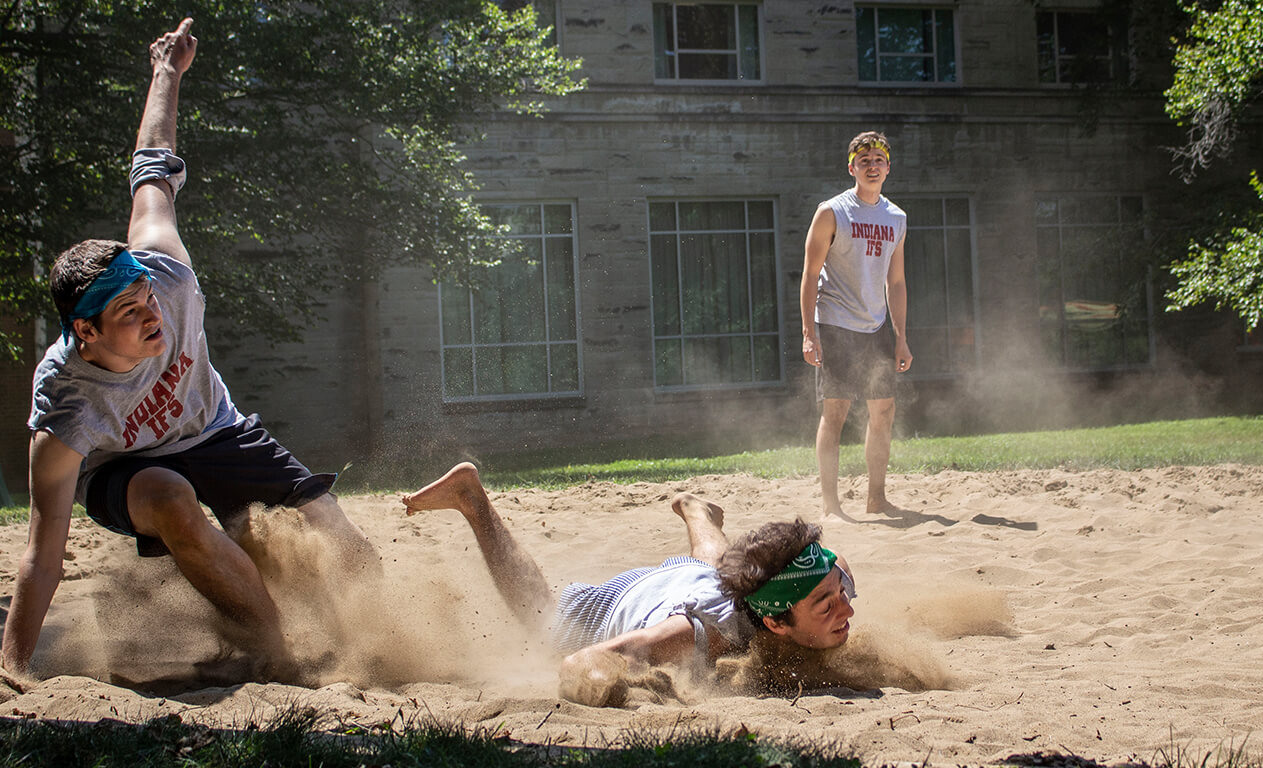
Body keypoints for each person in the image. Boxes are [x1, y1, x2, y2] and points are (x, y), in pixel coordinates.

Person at [1, 19, 375, 681]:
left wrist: (167, 70)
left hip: (214, 429)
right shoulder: (66, 404)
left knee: (348, 554)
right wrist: (12, 671)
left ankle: (363, 645)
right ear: (84, 332)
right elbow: (42, 553)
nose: (155, 319)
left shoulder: (166, 273)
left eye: (148, 299)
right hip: (132, 473)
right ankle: (274, 653)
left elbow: (152, 162)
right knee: (171, 494)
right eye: (129, 314)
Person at [400, 462, 858, 707]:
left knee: (718, 568)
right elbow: (583, 662)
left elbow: (826, 568)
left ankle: (698, 510)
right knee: (537, 615)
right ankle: (471, 499)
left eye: (842, 592)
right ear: (777, 623)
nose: (847, 610)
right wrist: (627, 690)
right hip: (611, 606)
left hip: (697, 580)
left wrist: (832, 585)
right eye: (827, 605)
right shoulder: (690, 636)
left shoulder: (811, 578)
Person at [800, 130, 913, 519]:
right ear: (852, 167)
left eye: (878, 160)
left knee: (884, 412)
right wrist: (808, 334)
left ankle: (876, 498)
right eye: (863, 160)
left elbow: (895, 282)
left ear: (888, 167)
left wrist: (901, 338)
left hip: (876, 326)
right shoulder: (832, 211)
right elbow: (809, 274)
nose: (871, 166)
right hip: (835, 324)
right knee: (836, 414)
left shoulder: (895, 217)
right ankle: (831, 505)